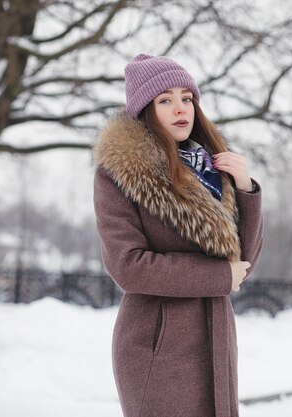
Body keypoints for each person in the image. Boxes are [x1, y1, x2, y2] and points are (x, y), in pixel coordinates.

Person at [93, 54, 263, 417]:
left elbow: (243, 261)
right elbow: (129, 266)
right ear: (145, 110)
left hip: (215, 338)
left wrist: (246, 189)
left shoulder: (213, 169)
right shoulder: (119, 174)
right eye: (165, 100)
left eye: (186, 98)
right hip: (156, 346)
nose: (179, 107)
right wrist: (218, 276)